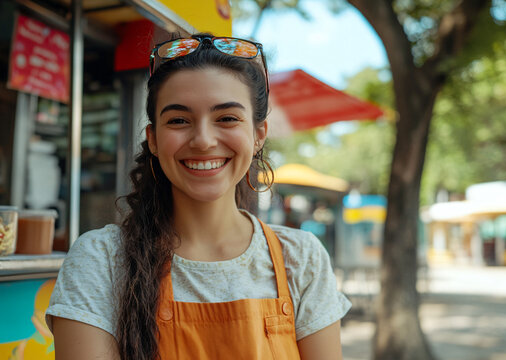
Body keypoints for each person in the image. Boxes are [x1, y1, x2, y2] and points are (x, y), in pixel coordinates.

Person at [46, 34, 351, 360]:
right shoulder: (100, 261)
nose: (203, 140)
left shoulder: (301, 259)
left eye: (227, 118)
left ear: (259, 134)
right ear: (153, 138)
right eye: (178, 120)